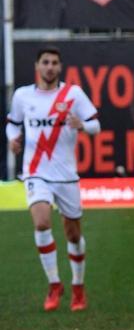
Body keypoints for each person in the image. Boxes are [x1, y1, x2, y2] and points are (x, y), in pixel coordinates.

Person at [5, 46, 98, 312]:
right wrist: (12, 139)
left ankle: (78, 287)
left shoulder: (73, 94)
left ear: (60, 67)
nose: (49, 67)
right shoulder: (23, 96)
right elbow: (13, 122)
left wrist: (82, 125)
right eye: (45, 62)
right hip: (36, 172)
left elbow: (95, 125)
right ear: (37, 66)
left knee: (73, 234)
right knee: (42, 222)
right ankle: (54, 284)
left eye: (54, 62)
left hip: (66, 176)